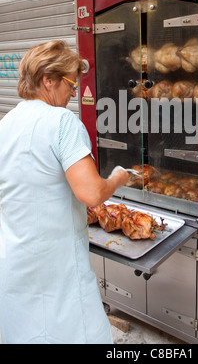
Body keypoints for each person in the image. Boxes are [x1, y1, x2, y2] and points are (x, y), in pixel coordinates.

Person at [0, 40, 129, 344]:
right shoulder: (62, 122)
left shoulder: (6, 123)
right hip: (55, 267)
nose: (75, 92)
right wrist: (117, 179)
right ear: (48, 80)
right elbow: (93, 193)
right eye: (71, 83)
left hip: (15, 259)